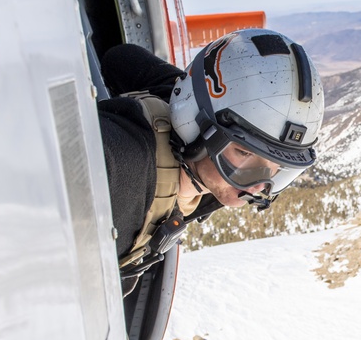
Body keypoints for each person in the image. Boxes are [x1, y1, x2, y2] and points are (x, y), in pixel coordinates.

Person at [97, 28, 325, 293]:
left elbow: (121, 58)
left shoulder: (213, 175)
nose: (256, 187)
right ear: (193, 123)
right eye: (244, 153)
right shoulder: (116, 171)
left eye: (278, 168)